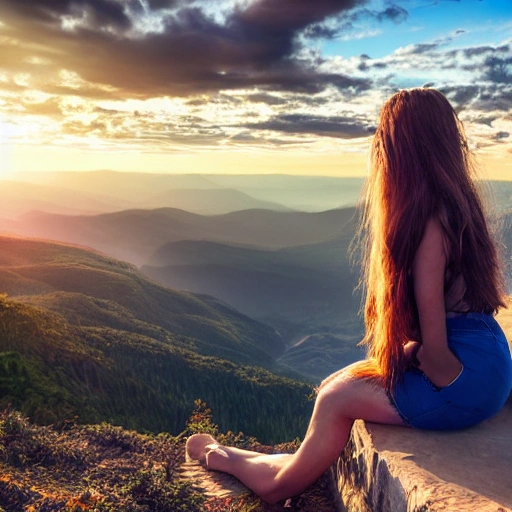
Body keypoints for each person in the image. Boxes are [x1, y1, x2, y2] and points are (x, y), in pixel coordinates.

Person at [185, 88, 512, 504]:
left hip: (465, 380)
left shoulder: (429, 226)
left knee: (336, 398)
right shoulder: (458, 208)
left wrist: (441, 378)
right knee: (338, 384)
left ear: (402, 151)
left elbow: (435, 353)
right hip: (488, 359)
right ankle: (287, 458)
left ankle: (248, 469)